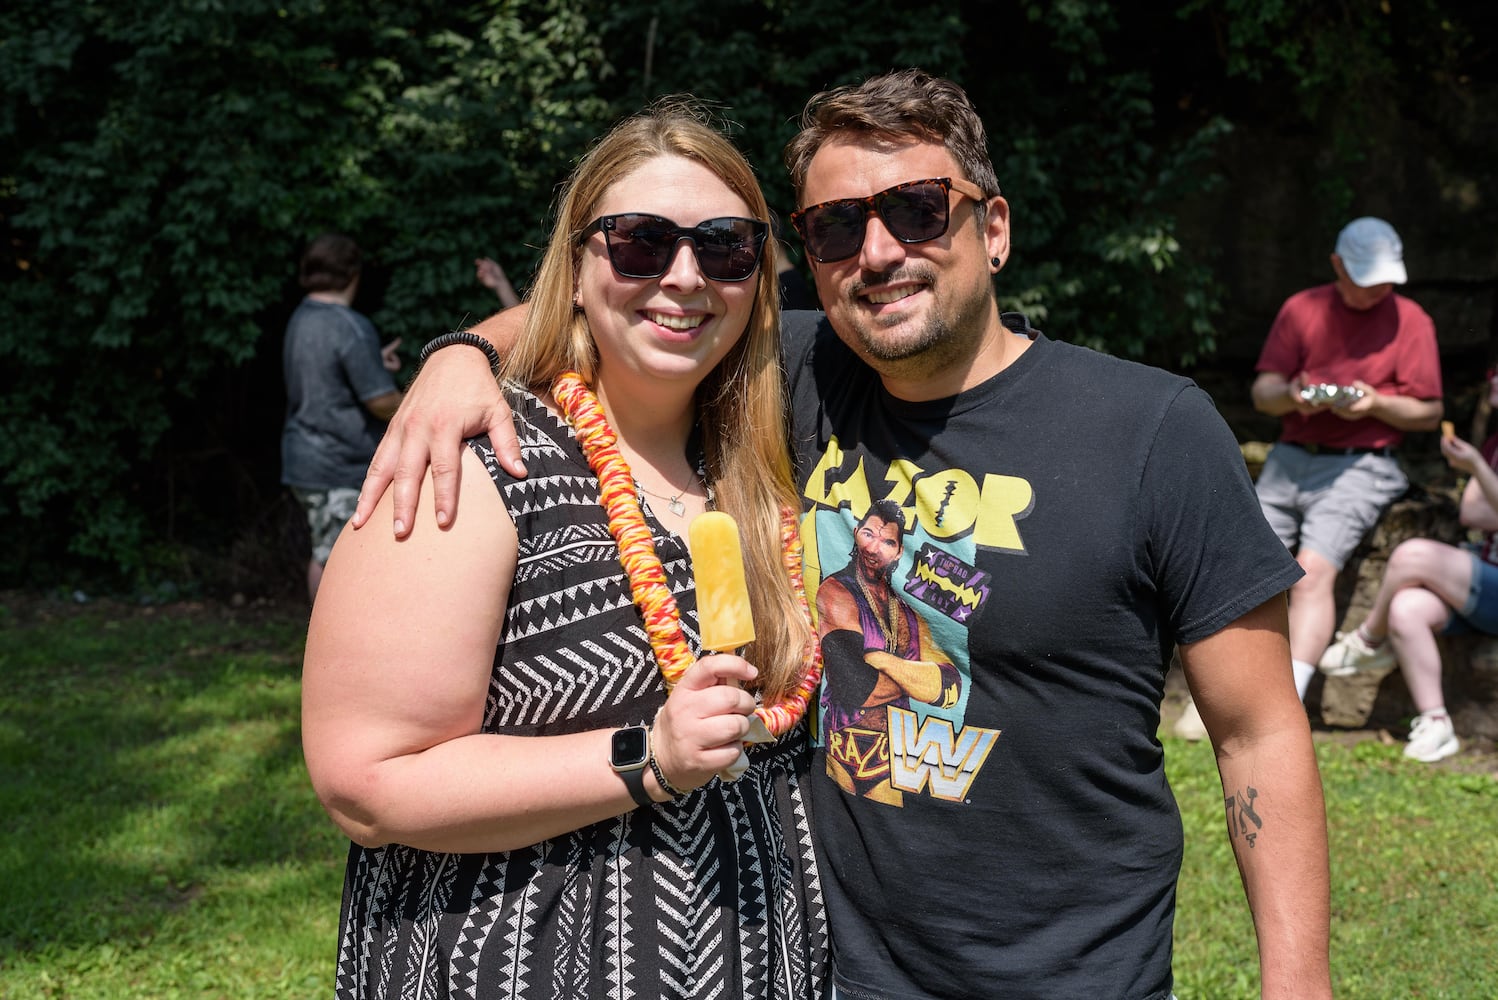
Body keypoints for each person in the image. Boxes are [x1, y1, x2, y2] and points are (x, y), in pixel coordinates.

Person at [352, 70, 1333, 1000]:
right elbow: (629, 292)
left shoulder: (1150, 430)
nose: (876, 253)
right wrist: (462, 353)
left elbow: (1255, 734)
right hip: (826, 965)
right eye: (833, 227)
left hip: (1068, 973)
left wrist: (1298, 985)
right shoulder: (791, 376)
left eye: (914, 211)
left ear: (991, 228)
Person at [300, 100, 829, 1000]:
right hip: (521, 958)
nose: (685, 276)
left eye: (727, 246)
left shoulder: (761, 459)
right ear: (579, 265)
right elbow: (365, 781)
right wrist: (646, 757)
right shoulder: (480, 460)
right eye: (638, 242)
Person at [1247, 216, 1443, 702]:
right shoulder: (1302, 308)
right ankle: (1231, 692)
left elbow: (1430, 412)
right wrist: (1295, 396)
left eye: (1384, 281)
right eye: (1364, 279)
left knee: (1311, 571)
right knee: (1244, 565)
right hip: (1292, 456)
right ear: (1337, 265)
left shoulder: (1412, 320)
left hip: (1365, 463)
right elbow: (1263, 394)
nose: (1376, 291)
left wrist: (1375, 403)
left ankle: (1284, 704)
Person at [1319, 370, 1498, 762]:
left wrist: (1478, 472)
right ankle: (1436, 724)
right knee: (1405, 608)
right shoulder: (1494, 444)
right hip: (1484, 576)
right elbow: (1472, 511)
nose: (1493, 380)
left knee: (1413, 554)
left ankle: (1367, 639)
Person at [280, 233, 402, 602]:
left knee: (324, 552)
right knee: (338, 558)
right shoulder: (349, 326)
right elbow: (380, 402)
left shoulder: (301, 318)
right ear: (353, 273)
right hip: (337, 463)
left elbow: (326, 375)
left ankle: (321, 641)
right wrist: (419, 404)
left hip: (307, 458)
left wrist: (373, 363)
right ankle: (329, 646)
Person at [816, 500, 959, 804]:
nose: (873, 547)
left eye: (887, 541)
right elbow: (857, 688)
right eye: (868, 534)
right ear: (855, 533)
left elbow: (950, 689)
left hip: (895, 755)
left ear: (898, 552)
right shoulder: (836, 591)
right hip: (844, 749)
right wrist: (920, 683)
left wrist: (883, 661)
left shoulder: (908, 612)